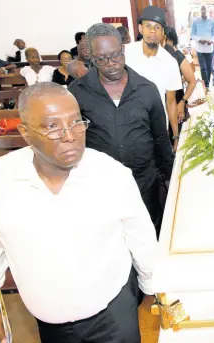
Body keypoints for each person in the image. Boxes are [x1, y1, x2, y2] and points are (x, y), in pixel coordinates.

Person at [0, 82, 158, 343]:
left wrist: (151, 288)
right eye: (52, 126)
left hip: (114, 312)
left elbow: (140, 235)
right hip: (50, 320)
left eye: (76, 122)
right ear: (25, 133)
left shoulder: (111, 174)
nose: (70, 136)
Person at [68, 23, 174, 236]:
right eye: (101, 59)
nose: (111, 64)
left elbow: (160, 137)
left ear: (123, 50)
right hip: (99, 184)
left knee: (149, 232)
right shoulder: (77, 92)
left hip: (145, 181)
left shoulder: (147, 89)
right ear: (91, 58)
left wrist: (169, 176)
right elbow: (73, 139)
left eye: (116, 56)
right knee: (110, 236)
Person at [126, 6, 183, 151]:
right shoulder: (125, 53)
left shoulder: (169, 62)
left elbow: (171, 102)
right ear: (140, 28)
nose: (153, 31)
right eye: (148, 26)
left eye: (157, 27)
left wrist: (175, 137)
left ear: (163, 32)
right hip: (127, 126)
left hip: (157, 128)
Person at [164, 26, 198, 127]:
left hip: (177, 98)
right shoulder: (159, 56)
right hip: (167, 101)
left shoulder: (178, 55)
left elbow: (192, 77)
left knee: (178, 128)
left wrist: (182, 101)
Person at [191, 4, 214, 89]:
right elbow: (192, 35)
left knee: (209, 68)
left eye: (204, 9)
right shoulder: (195, 21)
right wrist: (199, 40)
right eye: (201, 9)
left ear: (207, 10)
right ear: (200, 11)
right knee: (203, 68)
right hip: (200, 49)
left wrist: (212, 41)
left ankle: (207, 82)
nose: (203, 11)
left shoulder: (212, 21)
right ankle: (205, 84)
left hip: (209, 49)